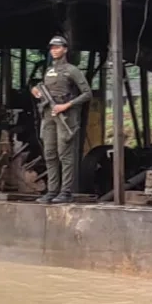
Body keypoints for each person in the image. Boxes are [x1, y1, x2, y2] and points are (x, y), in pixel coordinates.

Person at [31, 36, 92, 204]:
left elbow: (87, 94)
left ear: (65, 49)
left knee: (65, 154)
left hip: (65, 115)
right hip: (49, 114)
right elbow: (44, 90)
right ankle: (52, 191)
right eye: (52, 48)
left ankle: (65, 191)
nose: (54, 50)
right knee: (50, 154)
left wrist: (67, 105)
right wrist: (37, 92)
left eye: (57, 47)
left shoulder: (72, 70)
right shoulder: (48, 71)